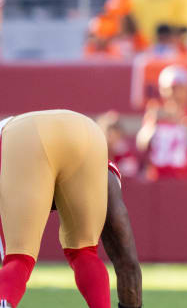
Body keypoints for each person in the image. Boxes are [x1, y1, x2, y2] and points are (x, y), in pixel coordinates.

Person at [0, 110, 142, 308]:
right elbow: (126, 256)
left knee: (19, 257)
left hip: (23, 136)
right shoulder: (105, 172)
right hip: (88, 132)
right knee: (85, 251)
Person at [136, 64, 187, 180]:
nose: (174, 93)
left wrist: (183, 122)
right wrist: (152, 125)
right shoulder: (157, 113)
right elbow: (141, 144)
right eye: (171, 89)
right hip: (159, 180)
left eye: (179, 88)